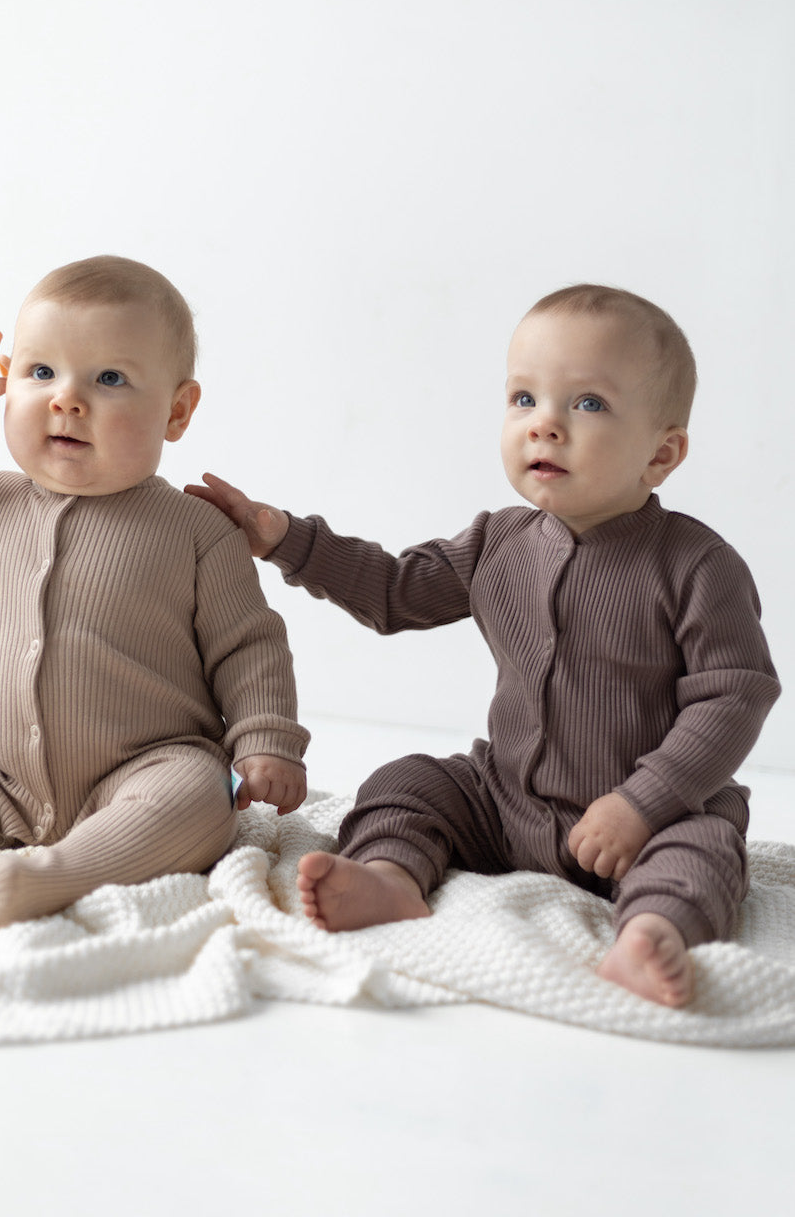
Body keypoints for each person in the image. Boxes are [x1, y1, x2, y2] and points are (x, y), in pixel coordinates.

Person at [187, 284, 780, 1008]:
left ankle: (648, 933)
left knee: (705, 853)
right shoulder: (497, 543)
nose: (545, 426)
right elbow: (393, 589)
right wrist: (284, 538)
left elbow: (733, 695)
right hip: (505, 802)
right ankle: (392, 878)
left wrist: (643, 803)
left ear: (661, 454)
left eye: (586, 404)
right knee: (407, 782)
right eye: (523, 399)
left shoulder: (695, 564)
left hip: (649, 818)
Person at [0, 255, 308, 929]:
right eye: (40, 372)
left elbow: (247, 648)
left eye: (109, 378)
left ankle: (54, 875)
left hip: (140, 768)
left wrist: (265, 740)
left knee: (199, 800)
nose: (66, 398)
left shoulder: (195, 532)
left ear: (177, 412)